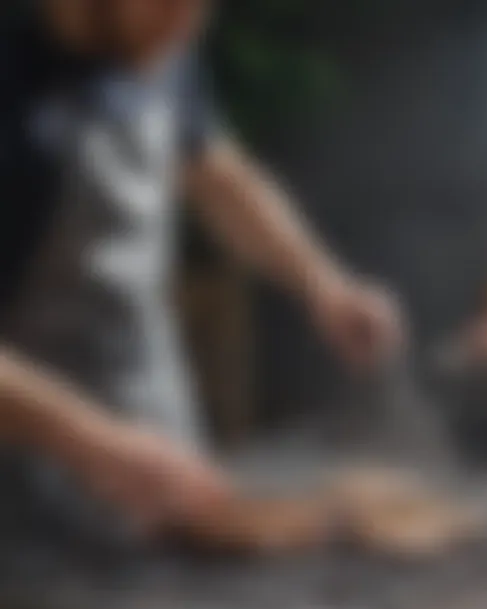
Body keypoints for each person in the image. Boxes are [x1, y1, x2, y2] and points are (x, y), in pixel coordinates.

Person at [0, 0, 403, 544]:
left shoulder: (157, 52)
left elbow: (219, 176)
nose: (187, 24)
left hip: (156, 465)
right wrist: (92, 443)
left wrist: (323, 285)